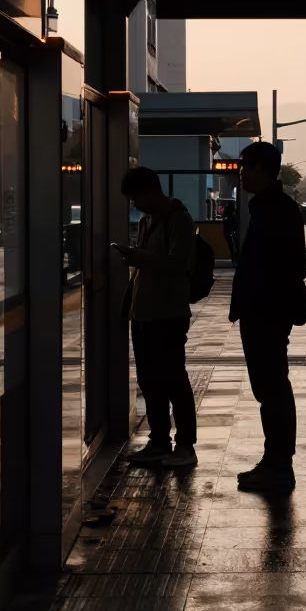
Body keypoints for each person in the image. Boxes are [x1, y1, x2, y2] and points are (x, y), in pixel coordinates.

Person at [230, 141, 306, 491]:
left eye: (245, 166)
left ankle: (279, 463)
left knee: (272, 387)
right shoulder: (267, 206)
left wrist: (261, 299)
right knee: (270, 387)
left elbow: (288, 266)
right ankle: (275, 459)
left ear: (261, 169)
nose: (240, 173)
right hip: (263, 309)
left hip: (267, 311)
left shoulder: (276, 209)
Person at [116, 166, 198, 468]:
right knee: (149, 380)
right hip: (143, 312)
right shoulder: (146, 221)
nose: (134, 204)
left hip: (168, 312)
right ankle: (159, 441)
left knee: (174, 378)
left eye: (135, 197)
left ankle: (185, 445)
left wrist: (142, 258)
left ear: (150, 191)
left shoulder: (178, 218)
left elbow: (178, 263)